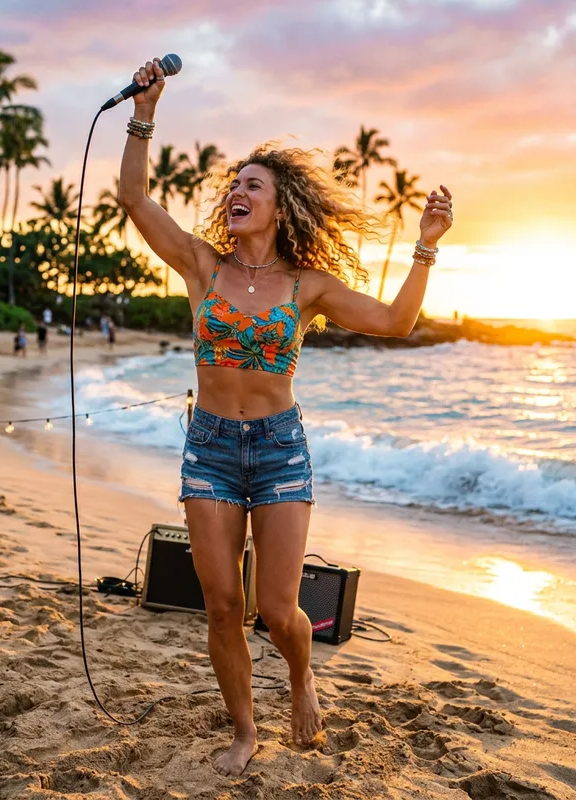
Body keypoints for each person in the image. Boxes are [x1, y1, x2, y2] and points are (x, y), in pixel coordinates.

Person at [119, 58, 454, 777]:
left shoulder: (307, 286)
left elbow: (396, 321)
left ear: (280, 208)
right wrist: (146, 114)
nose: (238, 192)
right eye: (235, 184)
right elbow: (134, 197)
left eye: (253, 186)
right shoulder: (200, 266)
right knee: (218, 605)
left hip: (278, 450)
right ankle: (245, 730)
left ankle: (301, 676)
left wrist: (426, 246)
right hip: (208, 446)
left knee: (277, 607)